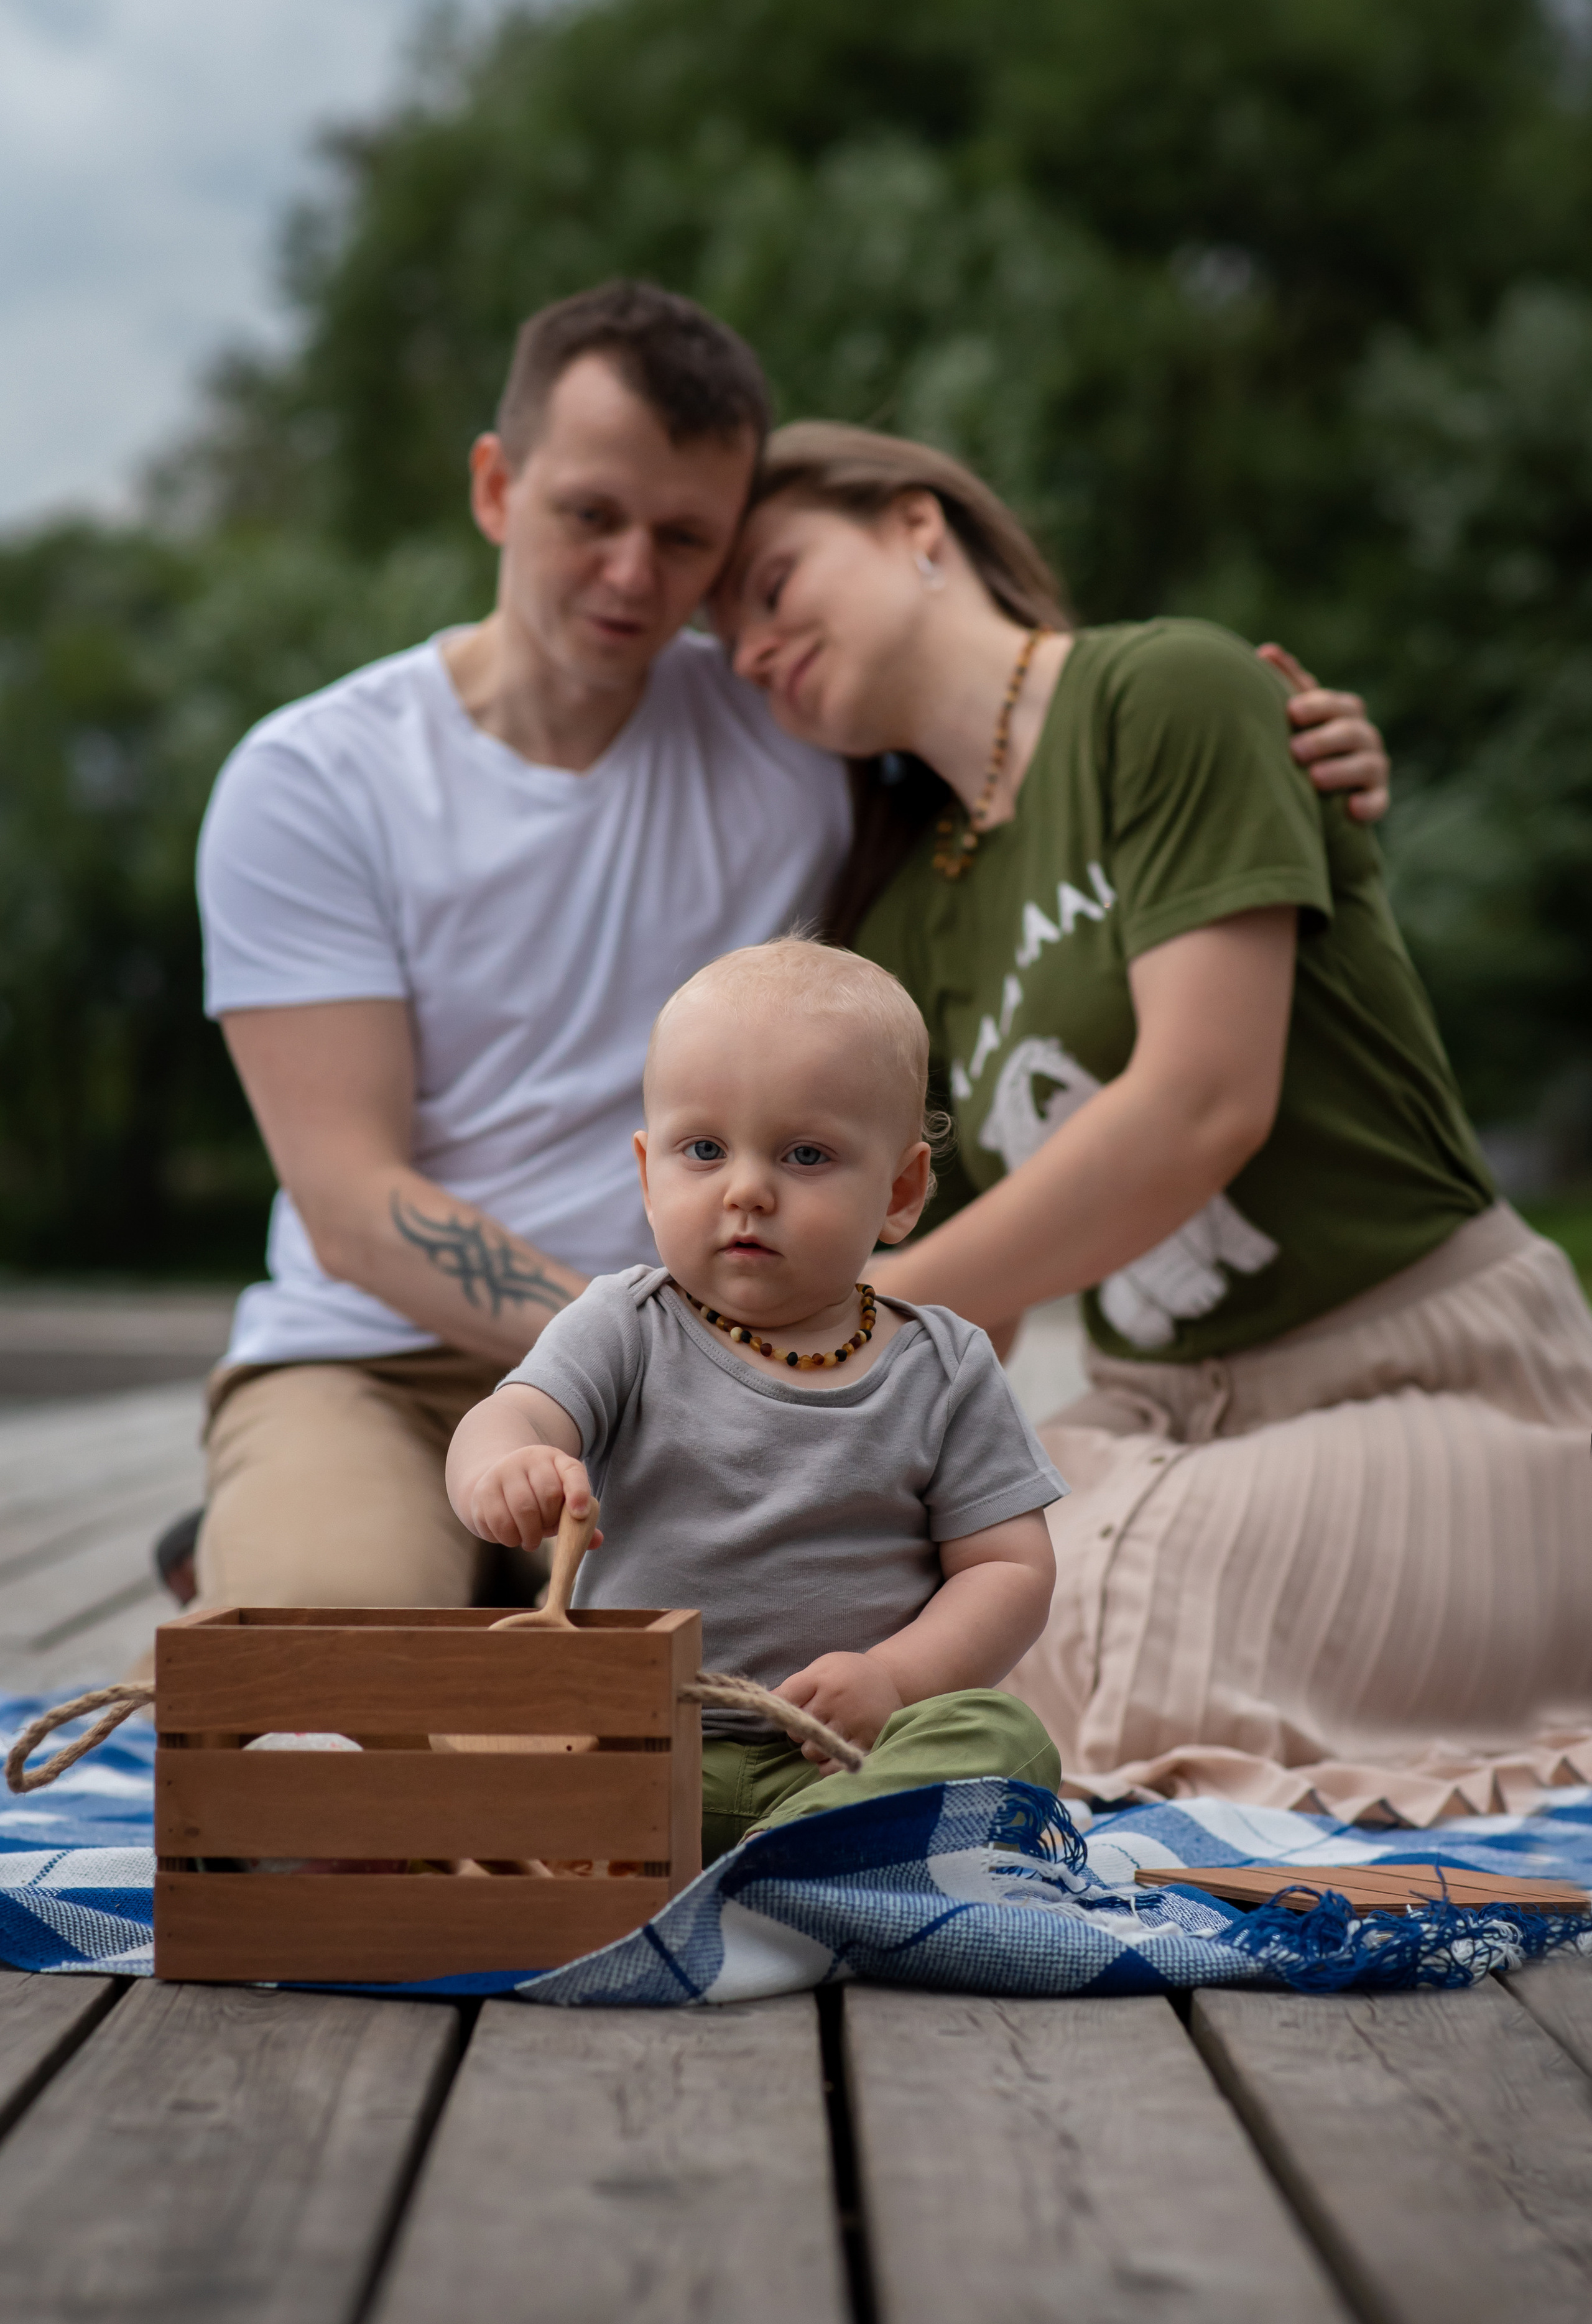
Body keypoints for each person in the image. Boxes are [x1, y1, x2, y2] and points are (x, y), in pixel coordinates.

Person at [185, 277, 1388, 1621]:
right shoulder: (313, 778)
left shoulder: (786, 722)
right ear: (495, 488)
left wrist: (1301, 765)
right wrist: (650, 1347)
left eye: (685, 537)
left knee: (777, 1708)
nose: (634, 574)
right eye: (591, 515)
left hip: (741, 1381)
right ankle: (294, 1534)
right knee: (334, 1723)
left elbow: (1033, 785)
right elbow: (353, 1205)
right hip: (388, 1363)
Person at [717, 421, 1592, 1827]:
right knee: (920, 1615)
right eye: (730, 643)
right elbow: (969, 1292)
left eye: (771, 585)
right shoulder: (904, 910)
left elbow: (1200, 1103)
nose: (754, 647)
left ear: (916, 526)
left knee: (1130, 1589)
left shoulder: (1166, 691)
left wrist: (840, 1311)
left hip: (1430, 1380)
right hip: (1167, 1413)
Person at [447, 939, 1064, 1860]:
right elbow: (512, 1415)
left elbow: (1010, 1570)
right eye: (704, 1149)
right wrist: (505, 1467)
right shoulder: (627, 1323)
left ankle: (791, 1853)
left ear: (899, 1192)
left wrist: (893, 1678)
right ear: (648, 1171)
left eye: (805, 1154)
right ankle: (766, 1869)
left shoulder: (944, 1364)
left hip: (839, 1760)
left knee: (1009, 1741)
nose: (746, 1189)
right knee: (484, 1734)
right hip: (642, 1746)